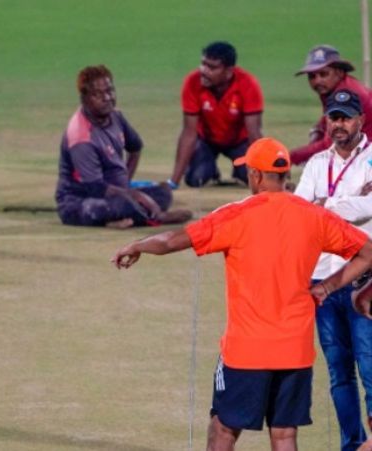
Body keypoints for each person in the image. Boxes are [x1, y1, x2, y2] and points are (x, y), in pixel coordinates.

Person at [112, 137, 372, 450]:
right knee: (285, 434)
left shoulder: (236, 215)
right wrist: (328, 286)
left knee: (222, 431)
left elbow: (172, 241)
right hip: (295, 349)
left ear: (257, 176)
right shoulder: (314, 216)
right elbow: (367, 252)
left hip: (246, 350)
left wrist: (138, 245)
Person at [294, 89, 372, 451]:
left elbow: (316, 210)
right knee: (339, 374)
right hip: (322, 280)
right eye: (333, 118)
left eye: (345, 117)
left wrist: (326, 205)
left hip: (363, 281)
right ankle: (350, 444)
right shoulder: (316, 163)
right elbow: (298, 211)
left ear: (359, 120)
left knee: (370, 370)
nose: (338, 125)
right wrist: (353, 202)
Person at [55, 64, 192, 228]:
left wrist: (126, 185)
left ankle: (125, 217)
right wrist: (133, 195)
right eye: (98, 94)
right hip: (80, 200)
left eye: (110, 91)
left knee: (163, 192)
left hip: (116, 192)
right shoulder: (81, 137)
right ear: (84, 98)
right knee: (111, 207)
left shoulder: (116, 116)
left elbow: (135, 147)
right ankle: (154, 217)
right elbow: (95, 188)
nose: (107, 98)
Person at [167, 41, 264, 188]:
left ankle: (239, 171)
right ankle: (210, 170)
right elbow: (189, 133)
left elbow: (254, 134)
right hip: (206, 141)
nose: (203, 71)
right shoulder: (192, 82)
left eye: (211, 67)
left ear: (229, 71)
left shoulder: (248, 84)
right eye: (203, 64)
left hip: (239, 142)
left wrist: (266, 174)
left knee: (249, 177)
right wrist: (173, 182)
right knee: (195, 179)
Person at [290, 45, 372, 166]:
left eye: (323, 74)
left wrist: (291, 156)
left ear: (339, 72)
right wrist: (317, 131)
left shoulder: (344, 94)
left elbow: (330, 145)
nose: (317, 81)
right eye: (312, 76)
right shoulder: (339, 86)